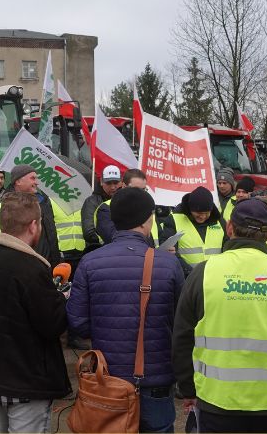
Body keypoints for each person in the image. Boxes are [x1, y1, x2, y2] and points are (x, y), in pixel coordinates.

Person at [173, 198, 267, 433]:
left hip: (217, 401)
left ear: (229, 228)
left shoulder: (204, 272)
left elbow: (182, 336)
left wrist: (188, 389)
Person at [68, 187, 185, 433]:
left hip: (109, 379)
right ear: (147, 220)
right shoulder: (169, 263)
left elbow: (78, 323)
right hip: (157, 378)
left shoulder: (90, 262)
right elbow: (180, 324)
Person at [0, 192, 71, 433]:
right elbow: (53, 325)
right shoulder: (31, 268)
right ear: (34, 225)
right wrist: (61, 300)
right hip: (25, 379)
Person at [0, 164, 61, 265]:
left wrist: (55, 260)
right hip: (24, 265)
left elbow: (50, 233)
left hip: (47, 264)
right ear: (18, 181)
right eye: (32, 178)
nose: (36, 183)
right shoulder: (6, 206)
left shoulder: (43, 201)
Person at [162, 186, 226, 266]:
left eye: (206, 213)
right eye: (199, 213)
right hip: (185, 277)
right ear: (190, 209)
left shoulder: (220, 222)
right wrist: (190, 273)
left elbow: (228, 251)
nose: (202, 216)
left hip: (213, 276)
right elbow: (170, 253)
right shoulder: (173, 220)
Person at [94, 168, 155, 245]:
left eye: (143, 189)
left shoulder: (148, 207)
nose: (141, 194)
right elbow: (111, 236)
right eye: (136, 189)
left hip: (149, 255)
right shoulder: (106, 208)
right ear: (124, 186)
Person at [81, 164, 122, 251]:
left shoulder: (125, 200)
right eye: (108, 183)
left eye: (116, 183)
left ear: (121, 182)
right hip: (99, 250)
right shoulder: (91, 201)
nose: (113, 187)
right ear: (101, 182)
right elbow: (89, 233)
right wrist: (114, 241)